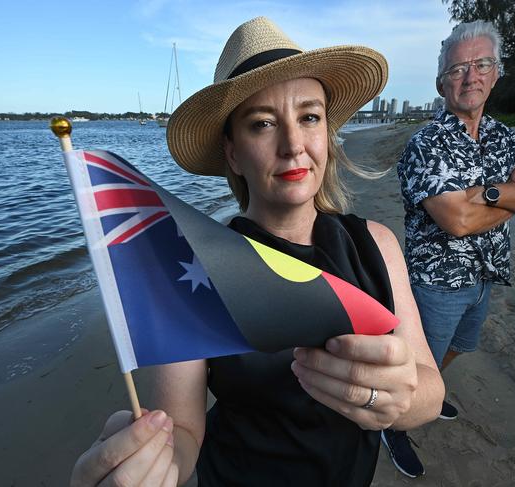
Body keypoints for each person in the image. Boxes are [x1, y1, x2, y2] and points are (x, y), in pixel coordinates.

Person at [70, 16, 444, 487]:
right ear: (231, 152)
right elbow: (182, 433)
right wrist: (149, 462)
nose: (292, 146)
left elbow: (430, 388)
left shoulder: (376, 245)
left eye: (309, 117)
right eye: (262, 124)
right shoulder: (195, 269)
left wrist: (400, 401)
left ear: (328, 132)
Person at [381, 20, 515, 478]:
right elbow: (456, 221)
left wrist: (490, 195)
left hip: (486, 275)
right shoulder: (427, 144)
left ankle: (431, 389)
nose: (470, 76)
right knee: (414, 362)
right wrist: (514, 195)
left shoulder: (502, 136)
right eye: (459, 68)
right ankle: (393, 425)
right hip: (437, 283)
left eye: (481, 64)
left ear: (496, 73)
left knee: (461, 345)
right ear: (442, 81)